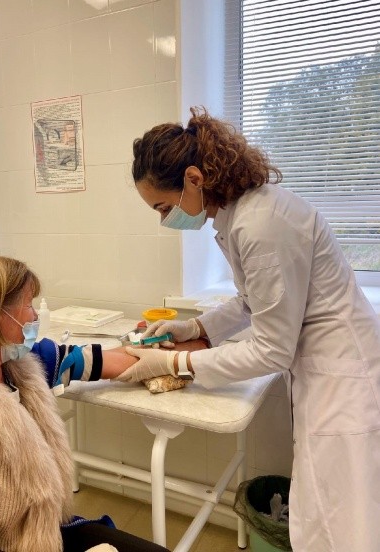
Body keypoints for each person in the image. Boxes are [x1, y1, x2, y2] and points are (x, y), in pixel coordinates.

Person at [117, 107, 380, 552]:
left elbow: (272, 350)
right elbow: (250, 300)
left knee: (343, 520)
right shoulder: (242, 214)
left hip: (343, 378)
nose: (164, 220)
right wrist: (193, 327)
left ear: (194, 179)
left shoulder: (261, 224)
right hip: (325, 371)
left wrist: (175, 363)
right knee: (326, 508)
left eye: (163, 207)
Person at [0, 254, 169, 552]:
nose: (35, 317)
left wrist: (176, 358)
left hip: (43, 529)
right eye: (28, 305)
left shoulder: (14, 363)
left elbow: (89, 360)